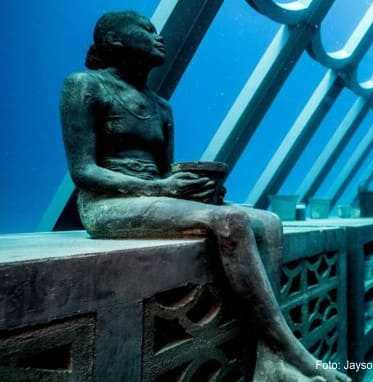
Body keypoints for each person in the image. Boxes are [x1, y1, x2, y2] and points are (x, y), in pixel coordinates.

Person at [60, 11, 349, 382]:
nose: (157, 36)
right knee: (229, 221)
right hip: (107, 206)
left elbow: (167, 172)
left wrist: (200, 188)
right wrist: (161, 189)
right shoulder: (84, 85)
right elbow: (83, 171)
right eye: (146, 30)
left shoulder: (160, 106)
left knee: (269, 221)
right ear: (114, 40)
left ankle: (268, 357)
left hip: (154, 197)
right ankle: (291, 350)